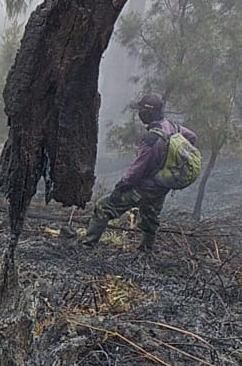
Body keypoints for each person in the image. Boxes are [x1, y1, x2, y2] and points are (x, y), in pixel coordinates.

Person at [82, 93, 197, 253]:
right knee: (150, 216)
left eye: (141, 110)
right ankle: (146, 251)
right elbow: (192, 137)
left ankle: (87, 246)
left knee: (103, 206)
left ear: (148, 112)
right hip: (162, 185)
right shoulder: (173, 127)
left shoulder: (151, 138)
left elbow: (137, 170)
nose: (139, 114)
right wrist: (170, 162)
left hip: (145, 187)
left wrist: (120, 187)